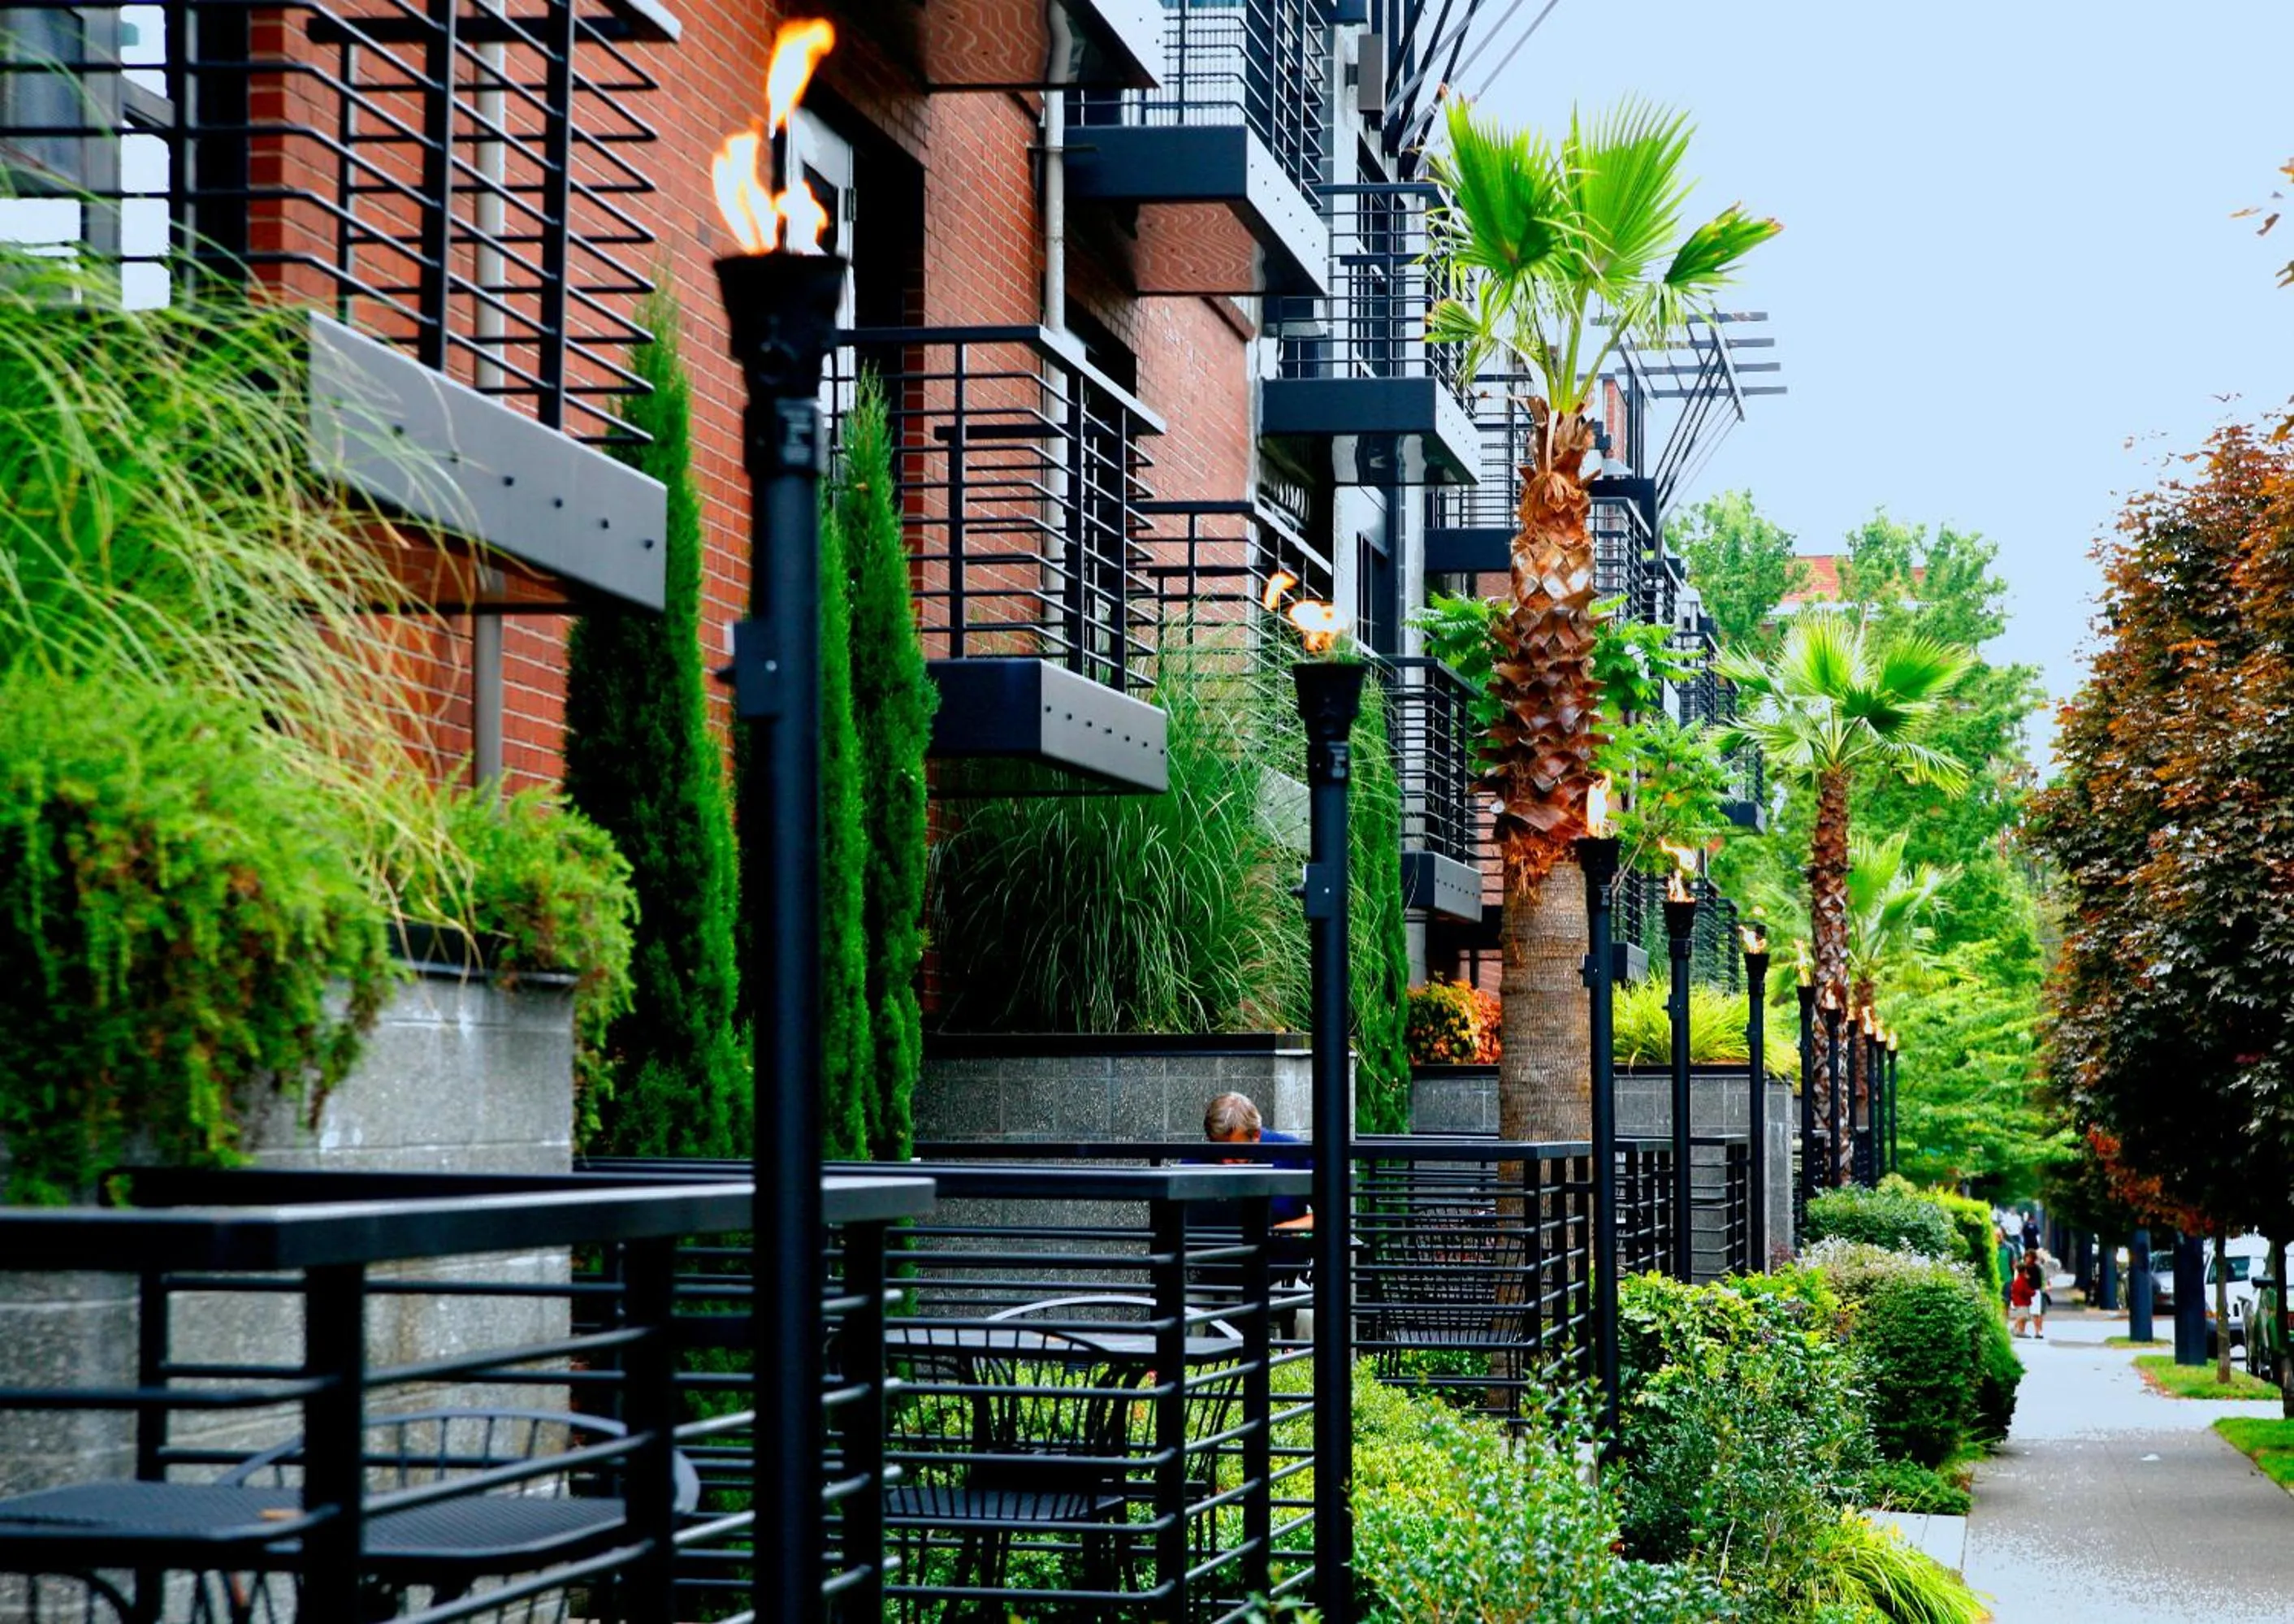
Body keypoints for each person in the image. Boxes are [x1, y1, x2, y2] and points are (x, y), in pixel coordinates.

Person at [1203, 1092, 1311, 1232]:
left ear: (1256, 1135)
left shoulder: (1293, 1153)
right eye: (1219, 1150)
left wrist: (1281, 1231)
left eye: (1235, 1152)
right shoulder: (1200, 1156)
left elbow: (1333, 1211)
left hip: (1278, 1251)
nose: (1226, 1161)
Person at [2010, 1255, 2037, 1338]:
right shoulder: (2020, 1280)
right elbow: (2024, 1291)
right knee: (2022, 1316)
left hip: (2022, 1301)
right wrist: (2033, 1293)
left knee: (2024, 1317)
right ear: (2024, 1271)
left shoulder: (2021, 1279)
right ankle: (2013, 1328)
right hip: (2021, 1302)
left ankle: (2021, 1331)